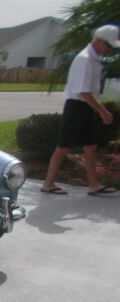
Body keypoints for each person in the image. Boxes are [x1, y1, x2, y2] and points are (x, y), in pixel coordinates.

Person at [41, 24, 119, 196]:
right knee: (64, 146)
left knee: (90, 146)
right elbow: (84, 91)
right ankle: (48, 184)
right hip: (77, 106)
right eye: (108, 46)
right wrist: (103, 111)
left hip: (86, 106)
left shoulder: (93, 59)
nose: (109, 50)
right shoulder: (84, 59)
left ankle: (94, 184)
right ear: (99, 41)